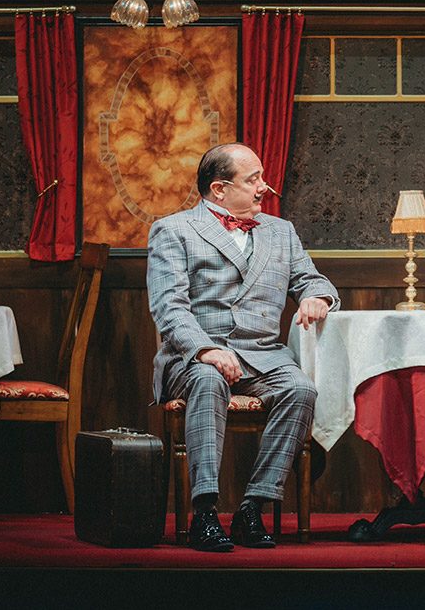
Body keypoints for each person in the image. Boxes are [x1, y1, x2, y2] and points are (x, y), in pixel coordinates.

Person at [147, 143, 338, 552]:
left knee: (301, 389)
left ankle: (254, 506)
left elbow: (311, 278)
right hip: (194, 356)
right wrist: (205, 350)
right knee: (208, 380)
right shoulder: (174, 230)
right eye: (253, 180)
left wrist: (317, 297)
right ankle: (205, 513)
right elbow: (169, 306)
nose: (263, 188)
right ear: (219, 189)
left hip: (263, 355)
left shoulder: (280, 231)